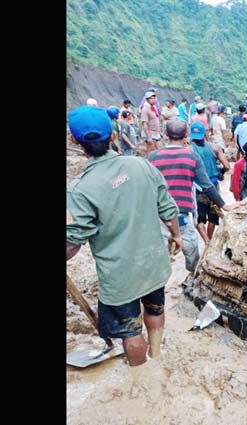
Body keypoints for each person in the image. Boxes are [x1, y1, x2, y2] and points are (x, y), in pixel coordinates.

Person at [66, 105, 182, 367]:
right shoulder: (141, 165)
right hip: (154, 263)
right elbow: (167, 206)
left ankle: (140, 379)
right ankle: (156, 357)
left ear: (74, 140)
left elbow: (72, 243)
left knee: (130, 331)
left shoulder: (80, 190)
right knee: (155, 309)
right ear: (114, 136)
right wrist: (177, 236)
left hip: (121, 278)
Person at [149, 119, 234, 276]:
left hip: (159, 215)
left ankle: (159, 284)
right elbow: (207, 185)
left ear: (166, 134)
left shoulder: (153, 157)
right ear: (186, 135)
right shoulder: (191, 156)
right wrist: (223, 204)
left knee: (162, 254)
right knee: (191, 250)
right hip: (182, 214)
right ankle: (193, 274)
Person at [189, 121, 230, 242]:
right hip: (213, 187)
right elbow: (227, 166)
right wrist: (220, 173)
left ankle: (206, 241)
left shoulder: (189, 150)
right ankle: (210, 239)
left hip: (198, 187)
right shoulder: (215, 148)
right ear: (205, 134)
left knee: (200, 217)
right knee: (213, 215)